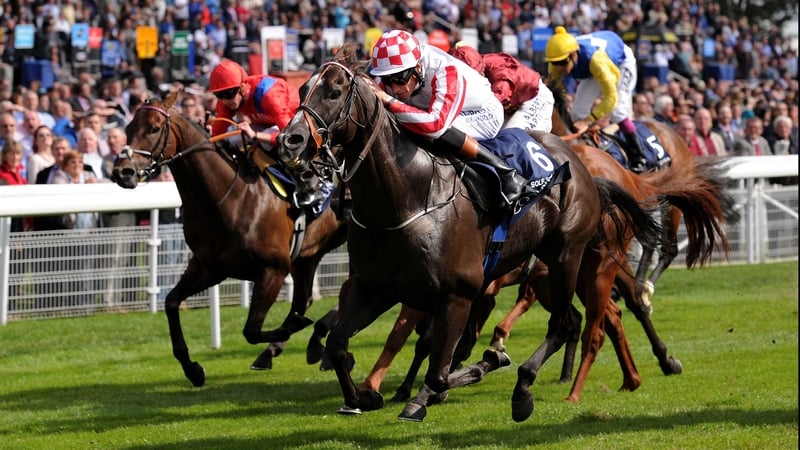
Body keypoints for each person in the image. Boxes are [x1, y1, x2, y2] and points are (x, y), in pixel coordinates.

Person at [368, 29, 528, 208]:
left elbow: (436, 125)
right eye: (388, 81)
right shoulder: (399, 70)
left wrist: (389, 101)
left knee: (431, 133)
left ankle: (506, 173)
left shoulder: (444, 69)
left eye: (399, 79)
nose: (395, 88)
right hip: (437, 112)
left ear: (418, 67)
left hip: (482, 113)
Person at [206, 59, 328, 206]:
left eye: (229, 93)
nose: (225, 100)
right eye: (220, 95)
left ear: (243, 87)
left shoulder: (268, 94)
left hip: (295, 126)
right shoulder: (228, 102)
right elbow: (216, 136)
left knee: (269, 144)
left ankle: (312, 187)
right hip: (268, 125)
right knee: (230, 140)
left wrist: (256, 136)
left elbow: (290, 137)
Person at [545, 26, 648, 172]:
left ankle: (639, 157)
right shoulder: (558, 61)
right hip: (591, 66)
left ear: (574, 55)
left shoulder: (597, 61)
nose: (558, 67)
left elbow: (611, 99)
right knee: (577, 112)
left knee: (618, 111)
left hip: (620, 63)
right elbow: (555, 92)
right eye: (555, 63)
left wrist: (588, 120)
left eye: (562, 62)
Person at [449, 43, 554, 133]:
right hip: (511, 104)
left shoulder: (500, 79)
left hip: (534, 98)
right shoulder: (474, 61)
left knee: (509, 140)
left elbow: (491, 106)